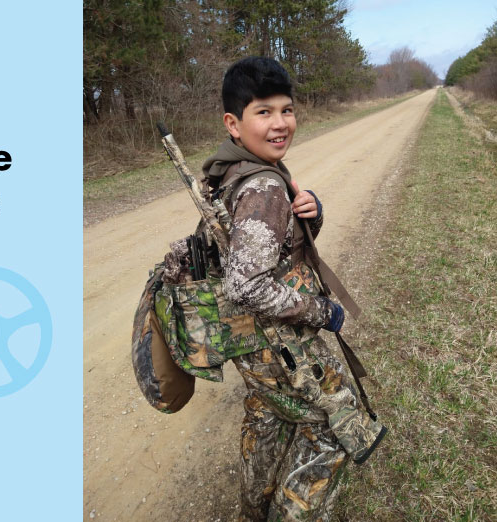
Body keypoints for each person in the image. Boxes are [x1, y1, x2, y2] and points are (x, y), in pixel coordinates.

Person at [186, 56, 386, 521]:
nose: (280, 124)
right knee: (338, 429)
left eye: (286, 109)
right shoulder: (264, 188)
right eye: (264, 112)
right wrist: (321, 311)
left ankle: (253, 510)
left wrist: (311, 213)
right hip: (276, 340)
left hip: (248, 345)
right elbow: (246, 284)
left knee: (269, 412)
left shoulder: (227, 171)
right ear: (233, 124)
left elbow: (263, 247)